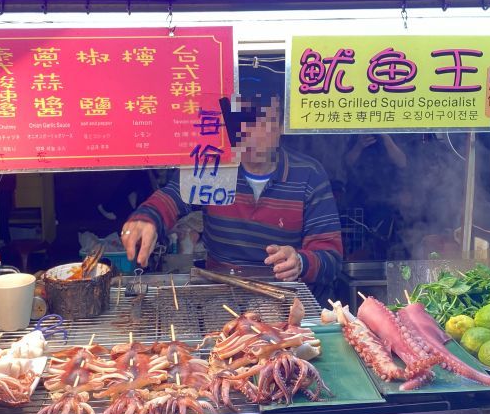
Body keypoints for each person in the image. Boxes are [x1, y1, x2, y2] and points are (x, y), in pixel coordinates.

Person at [120, 90, 343, 298]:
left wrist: (300, 262)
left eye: (263, 123)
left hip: (284, 298)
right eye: (242, 123)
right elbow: (170, 197)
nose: (251, 135)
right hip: (221, 295)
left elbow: (330, 258)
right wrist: (147, 218)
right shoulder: (214, 167)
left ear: (281, 126)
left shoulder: (308, 175)